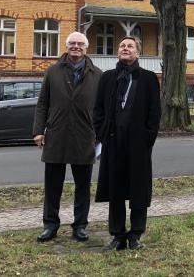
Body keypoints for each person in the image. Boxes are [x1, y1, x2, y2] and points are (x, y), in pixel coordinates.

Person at [32, 31, 102, 243]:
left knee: (83, 186)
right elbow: (42, 103)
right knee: (53, 186)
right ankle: (50, 225)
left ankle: (80, 226)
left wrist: (100, 136)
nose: (76, 46)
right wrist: (38, 130)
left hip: (84, 137)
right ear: (66, 46)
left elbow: (102, 109)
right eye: (72, 43)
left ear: (86, 47)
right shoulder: (52, 72)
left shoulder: (97, 74)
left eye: (80, 43)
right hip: (56, 135)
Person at [94, 36, 161, 251]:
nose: (125, 48)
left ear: (137, 52)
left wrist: (147, 138)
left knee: (138, 188)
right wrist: (102, 134)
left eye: (130, 46)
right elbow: (98, 110)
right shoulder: (108, 78)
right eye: (122, 46)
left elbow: (154, 113)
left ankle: (135, 235)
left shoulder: (149, 79)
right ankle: (117, 235)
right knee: (116, 189)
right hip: (113, 142)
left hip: (139, 144)